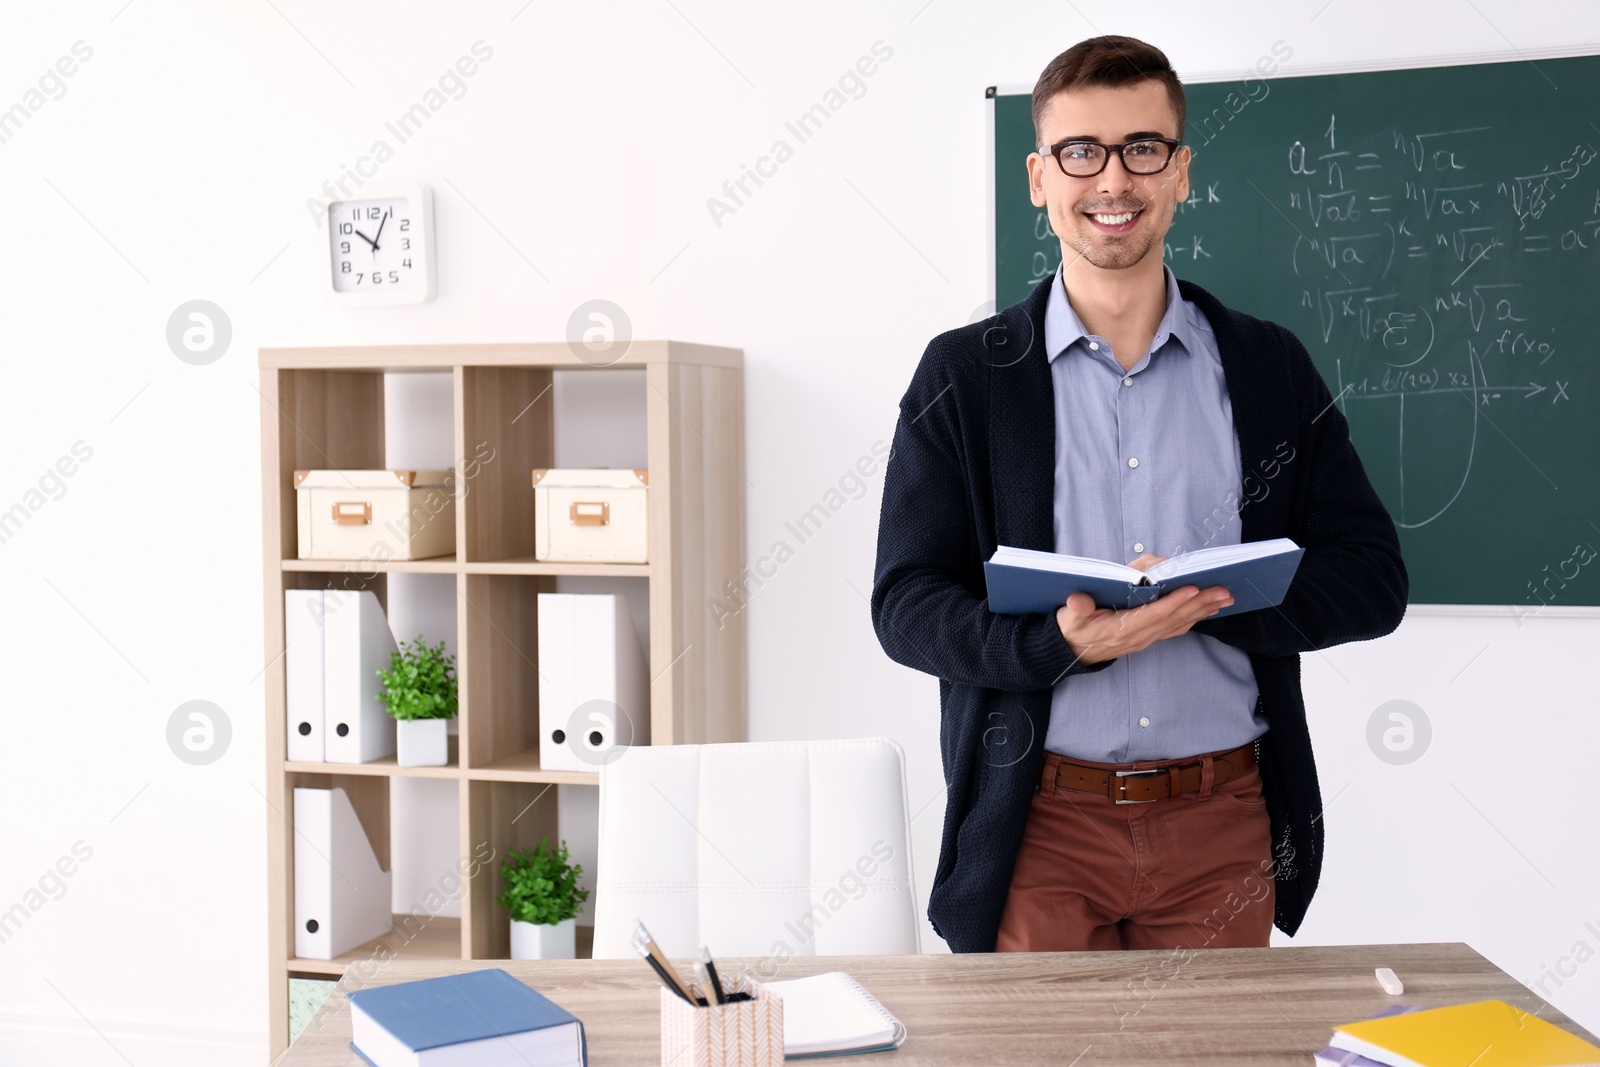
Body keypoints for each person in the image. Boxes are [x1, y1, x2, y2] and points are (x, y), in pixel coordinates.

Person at [870, 35, 1407, 954]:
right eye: (1082, 152)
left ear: (1181, 171)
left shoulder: (1270, 367)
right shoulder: (966, 375)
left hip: (1223, 821)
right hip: (1036, 825)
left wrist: (1206, 602)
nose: (1112, 180)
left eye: (1142, 149)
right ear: (1039, 177)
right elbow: (906, 606)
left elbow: (1372, 580)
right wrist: (1058, 643)